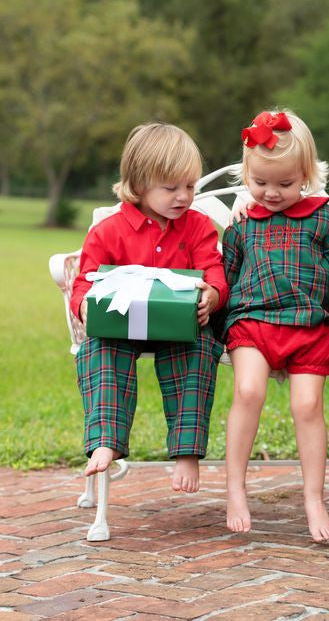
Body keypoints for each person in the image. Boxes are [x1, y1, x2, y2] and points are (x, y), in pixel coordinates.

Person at [70, 122, 228, 493]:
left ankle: (187, 450)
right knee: (99, 351)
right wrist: (84, 308)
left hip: (179, 326)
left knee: (200, 349)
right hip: (124, 324)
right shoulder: (109, 231)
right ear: (139, 185)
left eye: (190, 186)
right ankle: (105, 440)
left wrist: (212, 296)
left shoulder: (198, 227)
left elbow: (215, 271)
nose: (183, 197)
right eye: (171, 188)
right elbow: (85, 281)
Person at [222, 110, 329, 542]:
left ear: (307, 176)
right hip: (253, 322)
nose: (271, 194)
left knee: (307, 406)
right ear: (247, 176)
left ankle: (314, 497)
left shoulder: (324, 219)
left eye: (284, 184)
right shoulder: (241, 224)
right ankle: (236, 489)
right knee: (248, 390)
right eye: (260, 183)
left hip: (309, 327)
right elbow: (228, 274)